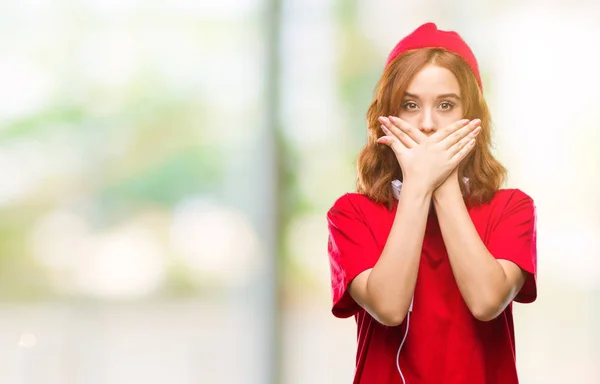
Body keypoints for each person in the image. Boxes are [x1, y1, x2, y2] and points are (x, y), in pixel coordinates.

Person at [326, 22, 537, 384]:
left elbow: (488, 302)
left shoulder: (512, 209)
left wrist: (441, 182)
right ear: (386, 117)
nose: (427, 124)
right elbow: (389, 308)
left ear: (472, 119)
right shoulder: (351, 214)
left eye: (446, 105)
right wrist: (419, 186)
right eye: (410, 105)